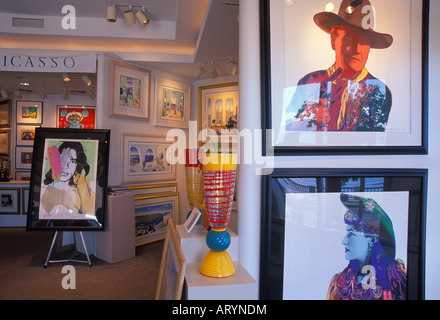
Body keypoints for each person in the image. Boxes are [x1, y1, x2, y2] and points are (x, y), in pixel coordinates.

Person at [284, 0, 393, 131]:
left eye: (364, 42)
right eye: (350, 38)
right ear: (333, 40)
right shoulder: (310, 82)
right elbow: (284, 137)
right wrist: (308, 120)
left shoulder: (377, 91)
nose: (357, 49)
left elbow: (367, 144)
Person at [326, 193, 407, 300]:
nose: (344, 241)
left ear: (372, 239)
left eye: (352, 233)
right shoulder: (339, 283)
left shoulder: (396, 280)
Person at [39, 141, 95, 219]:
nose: (66, 166)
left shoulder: (81, 191)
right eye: (62, 159)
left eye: (72, 161)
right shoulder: (42, 190)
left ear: (77, 165)